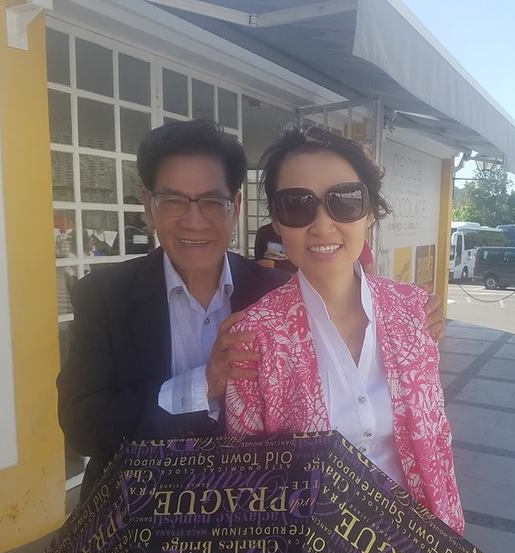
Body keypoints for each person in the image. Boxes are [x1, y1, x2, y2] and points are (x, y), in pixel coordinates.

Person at [57, 120, 447, 502]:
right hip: (138, 513)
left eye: (212, 202)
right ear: (149, 204)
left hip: (248, 517)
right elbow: (81, 426)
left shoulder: (273, 294)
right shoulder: (105, 296)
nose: (194, 221)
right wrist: (203, 384)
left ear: (237, 206)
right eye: (174, 201)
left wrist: (409, 318)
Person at [224, 124, 464, 534]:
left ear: (369, 212)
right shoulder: (255, 337)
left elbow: (436, 442)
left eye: (346, 201)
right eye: (297, 205)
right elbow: (247, 479)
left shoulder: (413, 311)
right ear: (277, 222)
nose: (322, 225)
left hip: (418, 551)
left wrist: (450, 541)